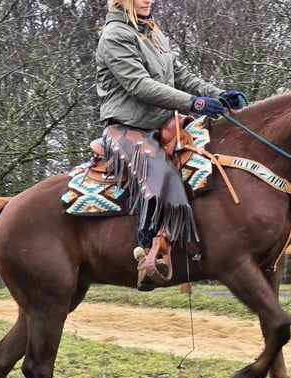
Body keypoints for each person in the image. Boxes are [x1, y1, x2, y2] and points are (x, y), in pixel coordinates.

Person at [95, 0, 245, 290]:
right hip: (127, 127)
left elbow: (180, 74)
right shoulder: (115, 35)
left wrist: (218, 95)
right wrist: (194, 103)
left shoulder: (152, 32)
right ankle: (148, 251)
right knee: (161, 174)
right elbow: (139, 85)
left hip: (162, 125)